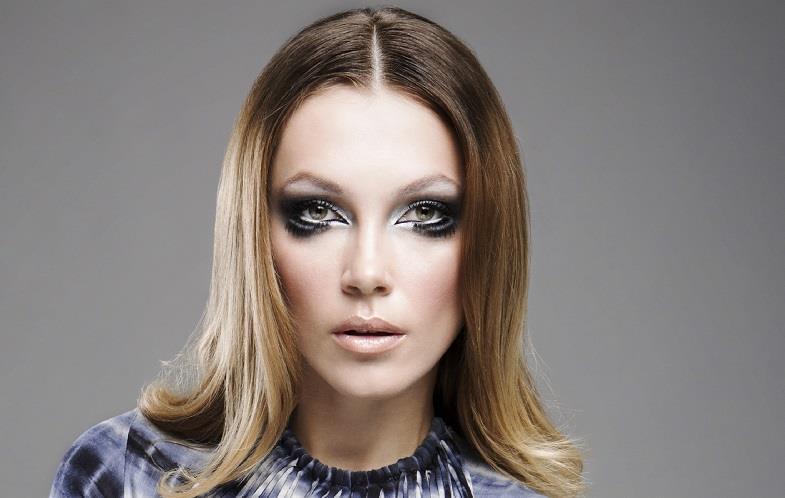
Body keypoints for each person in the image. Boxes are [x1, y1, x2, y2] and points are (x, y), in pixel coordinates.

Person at [49, 6, 585, 498]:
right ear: (255, 234)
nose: (367, 272)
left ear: (490, 241)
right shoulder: (126, 474)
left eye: (424, 215)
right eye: (319, 213)